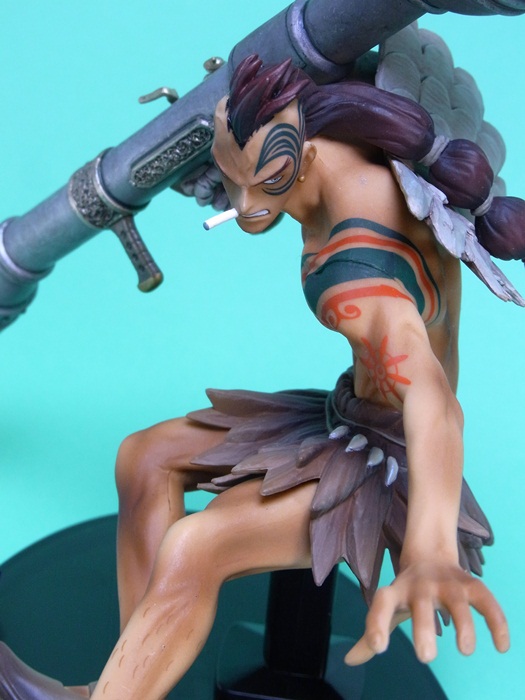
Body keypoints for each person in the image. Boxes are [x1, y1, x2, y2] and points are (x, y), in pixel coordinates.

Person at [2, 52, 524, 700]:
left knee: (196, 546)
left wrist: (429, 548)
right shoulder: (357, 137)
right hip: (346, 414)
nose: (240, 204)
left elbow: (434, 404)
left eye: (250, 184)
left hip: (389, 464)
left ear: (294, 162)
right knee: (145, 457)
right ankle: (134, 675)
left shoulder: (353, 280)